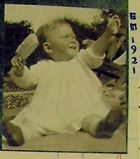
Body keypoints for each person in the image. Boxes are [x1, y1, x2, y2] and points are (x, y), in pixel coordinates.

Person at [3, 15, 124, 146]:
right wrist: (20, 70)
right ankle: (19, 134)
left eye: (74, 37)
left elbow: (96, 50)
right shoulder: (44, 66)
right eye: (66, 37)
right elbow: (26, 81)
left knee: (90, 119)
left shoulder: (81, 59)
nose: (73, 40)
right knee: (35, 124)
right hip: (51, 110)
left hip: (83, 106)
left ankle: (103, 127)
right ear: (48, 47)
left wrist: (108, 33)